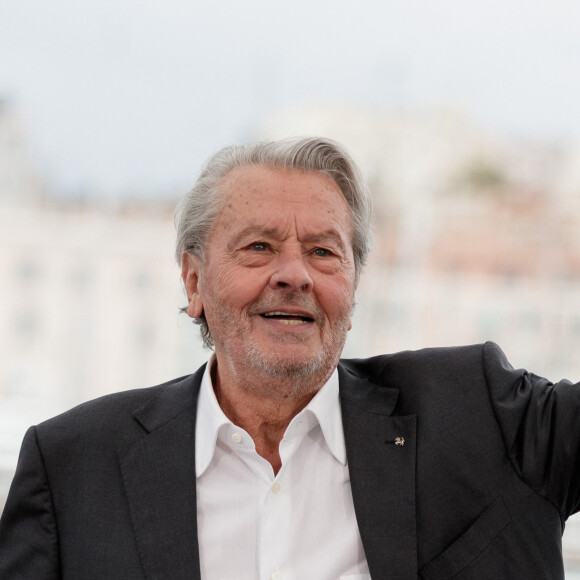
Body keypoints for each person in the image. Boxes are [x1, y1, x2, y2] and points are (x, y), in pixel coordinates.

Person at [0, 137, 579, 580]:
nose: (295, 275)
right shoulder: (73, 468)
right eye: (260, 247)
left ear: (353, 289)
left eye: (324, 252)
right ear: (194, 280)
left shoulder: (479, 416)